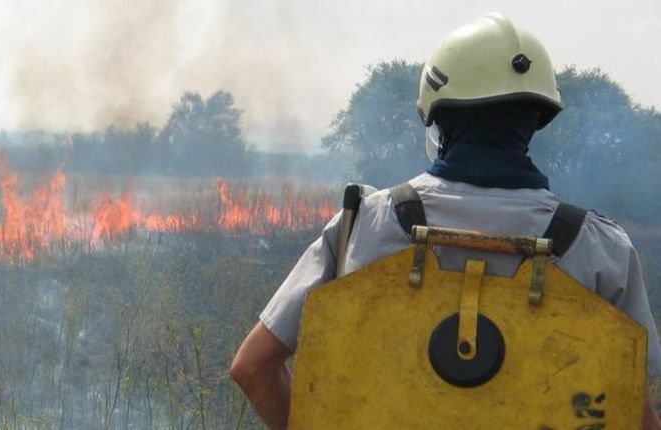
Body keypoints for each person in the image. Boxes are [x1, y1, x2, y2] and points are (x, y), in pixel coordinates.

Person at [230, 13, 661, 430]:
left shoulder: (362, 227)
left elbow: (252, 368)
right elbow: (631, 409)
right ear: (535, 122)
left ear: (440, 115)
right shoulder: (604, 250)